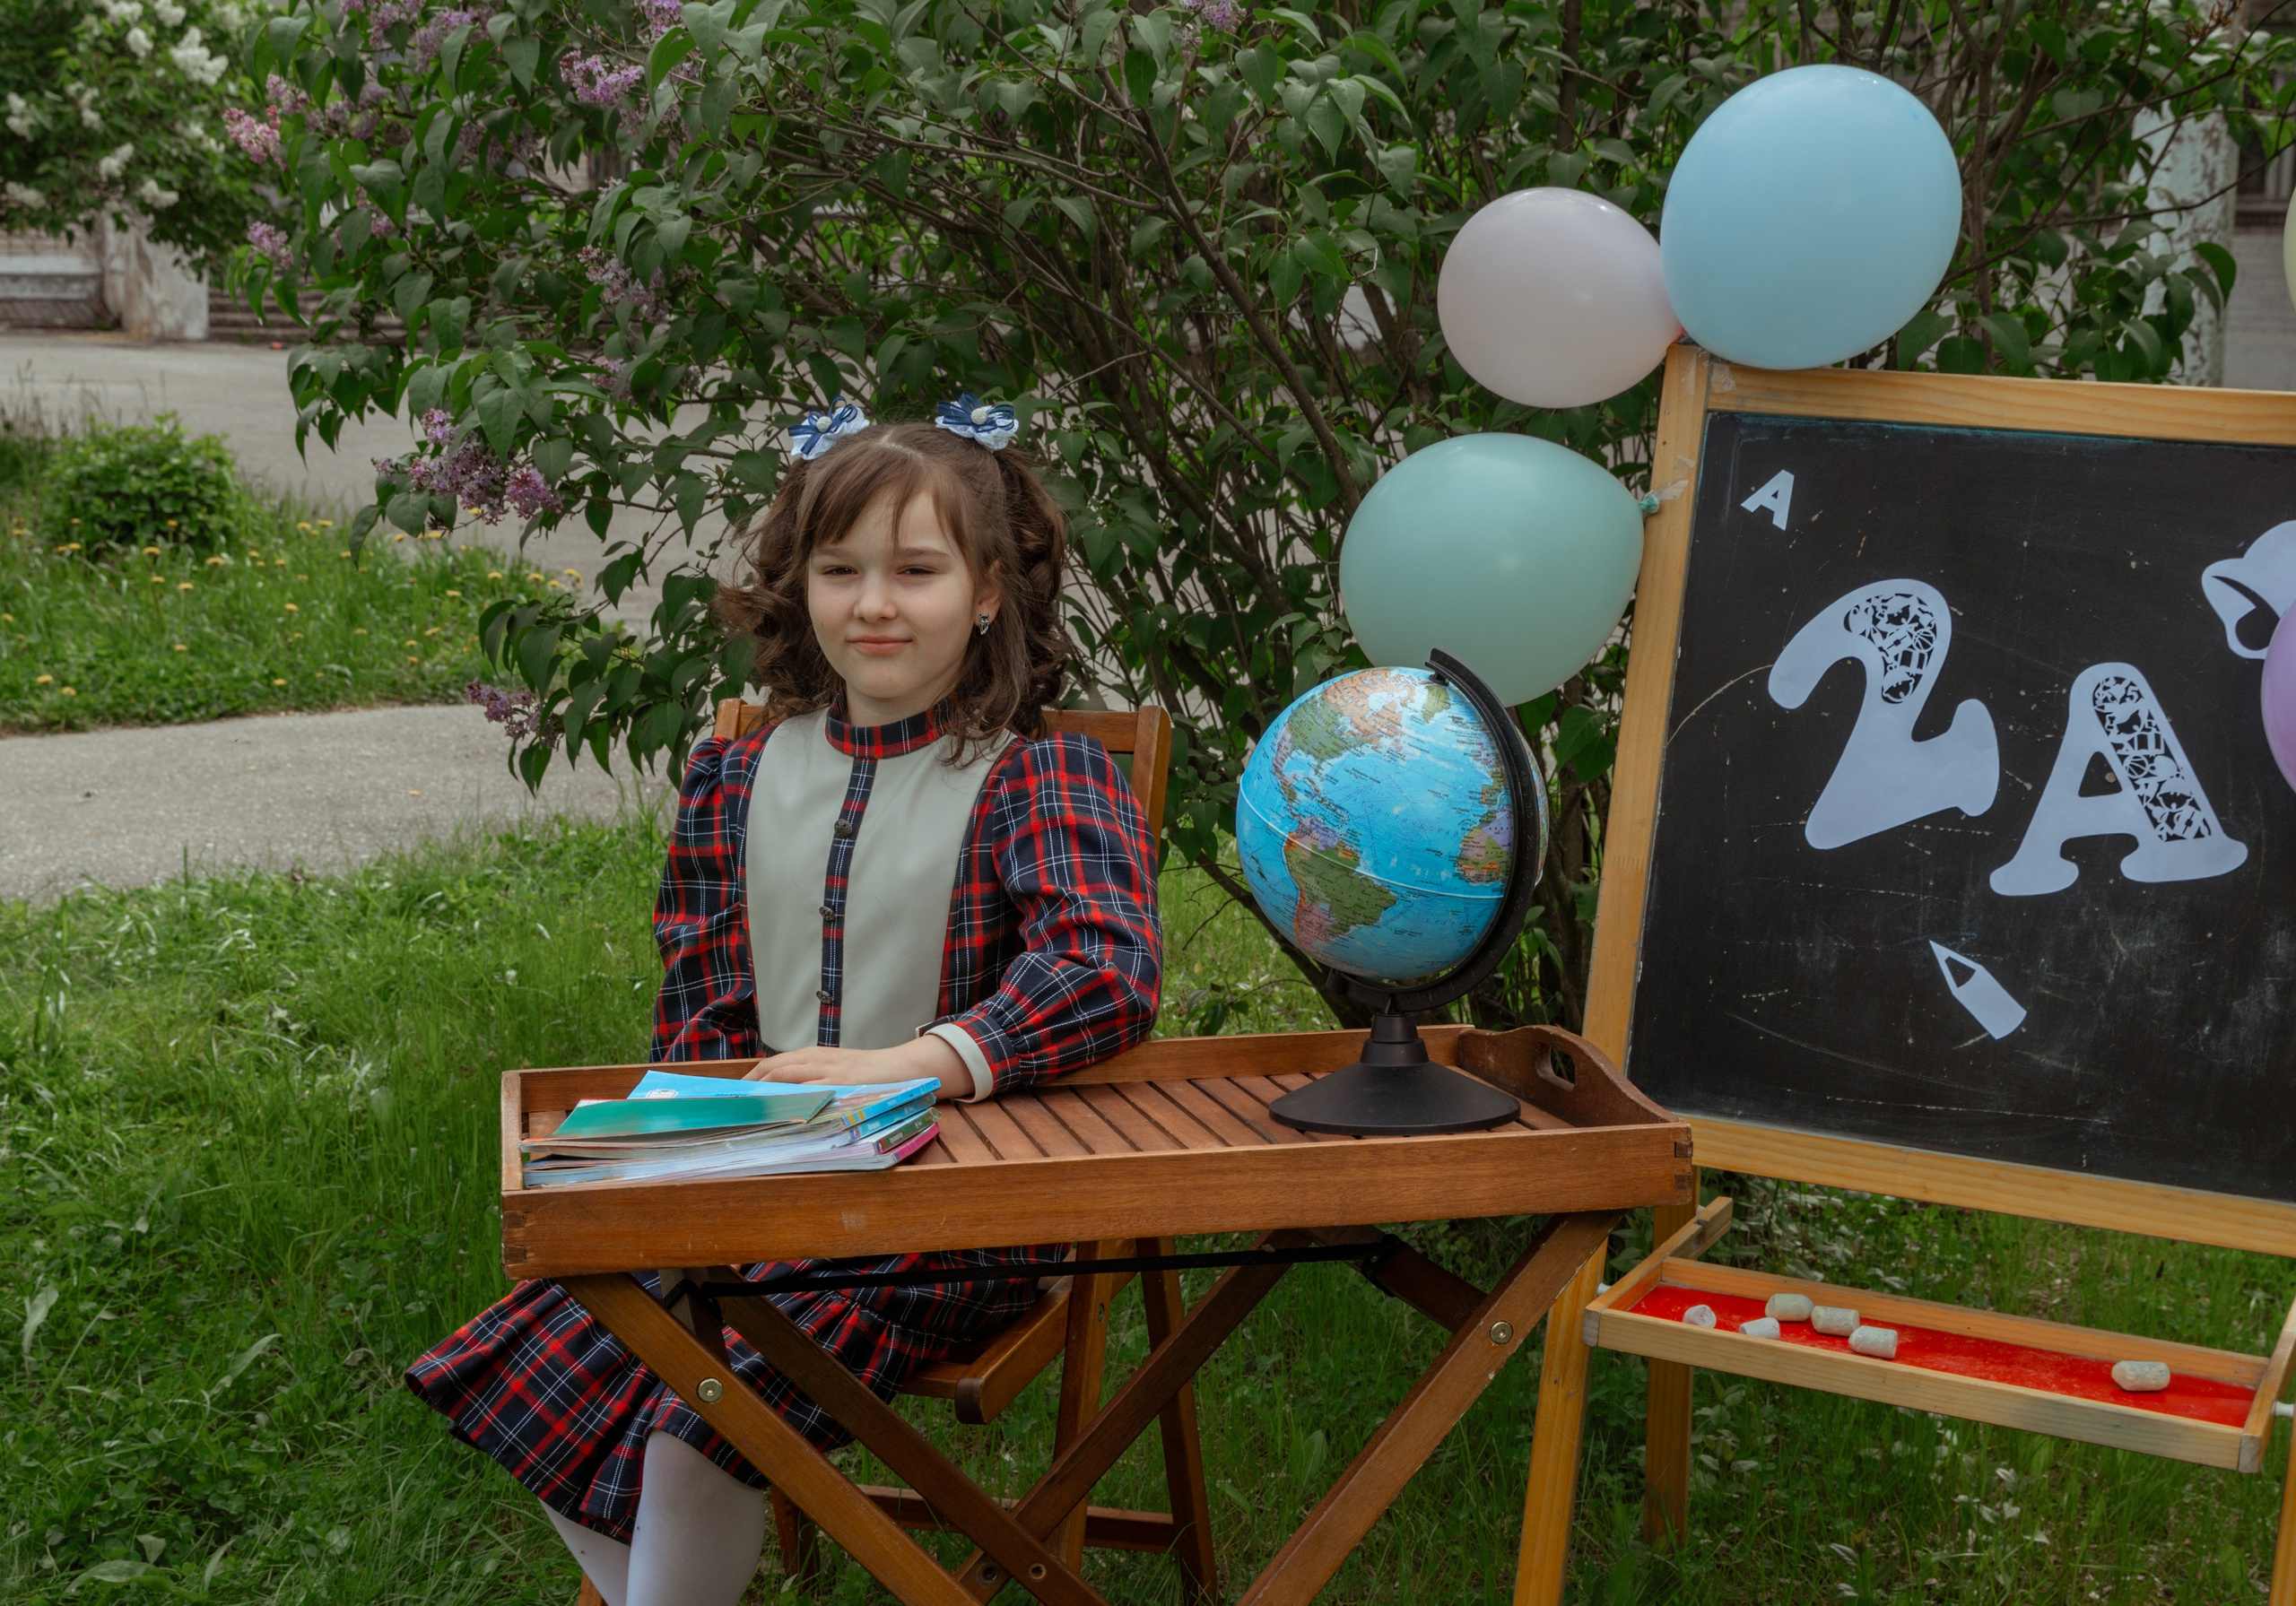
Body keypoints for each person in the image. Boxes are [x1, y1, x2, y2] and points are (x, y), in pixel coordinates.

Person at [404, 398, 1163, 1606]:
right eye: (840, 569)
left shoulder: (1037, 773)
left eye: (915, 570)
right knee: (540, 1352)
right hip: (754, 1174)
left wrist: (925, 1060)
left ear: (985, 591)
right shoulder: (741, 770)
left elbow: (1103, 968)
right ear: (798, 586)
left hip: (953, 1202)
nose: (873, 602)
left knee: (702, 1409)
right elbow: (701, 1002)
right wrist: (683, 1146)